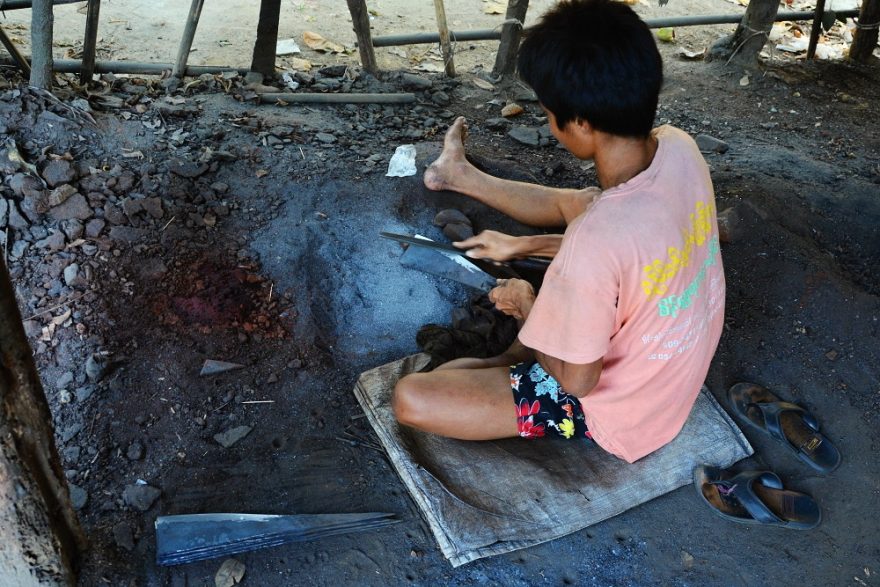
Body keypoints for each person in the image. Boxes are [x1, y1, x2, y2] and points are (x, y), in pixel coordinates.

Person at [392, 0, 725, 463]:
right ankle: (459, 175)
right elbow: (612, 240)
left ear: (582, 123)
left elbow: (577, 382)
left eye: (550, 113)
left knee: (413, 397)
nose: (549, 124)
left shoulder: (595, 240)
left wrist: (530, 307)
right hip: (672, 371)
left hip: (624, 414)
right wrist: (526, 247)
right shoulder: (678, 147)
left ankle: (508, 360)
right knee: (586, 203)